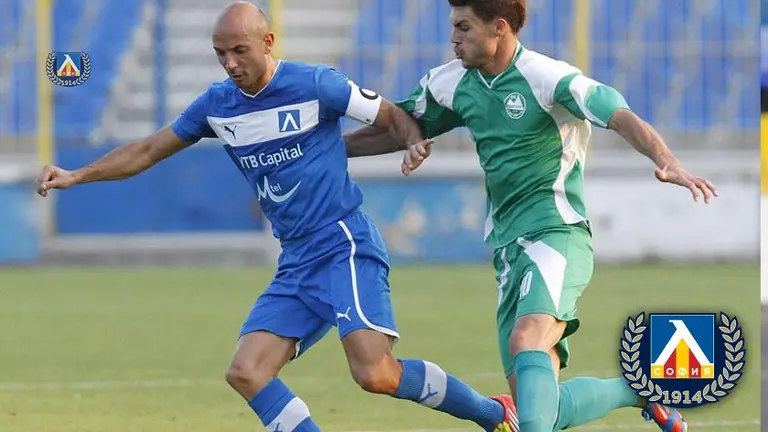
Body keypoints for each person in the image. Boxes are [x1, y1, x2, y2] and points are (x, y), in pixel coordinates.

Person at [35, 2, 520, 431]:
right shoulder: (216, 105)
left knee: (375, 374)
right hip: (297, 261)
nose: (230, 63)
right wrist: (78, 175)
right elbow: (146, 150)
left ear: (268, 42)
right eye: (220, 53)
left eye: (240, 51)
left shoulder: (315, 84)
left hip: (343, 244)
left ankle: (493, 414)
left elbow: (389, 114)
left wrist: (413, 141)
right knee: (246, 372)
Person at [343, 0, 719, 431]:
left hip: (557, 233)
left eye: (464, 27)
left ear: (499, 28)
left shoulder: (546, 77)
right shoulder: (450, 83)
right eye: (453, 27)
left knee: (528, 340)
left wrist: (666, 160)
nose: (454, 38)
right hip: (507, 247)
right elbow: (400, 126)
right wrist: (330, 150)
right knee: (540, 408)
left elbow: (616, 113)